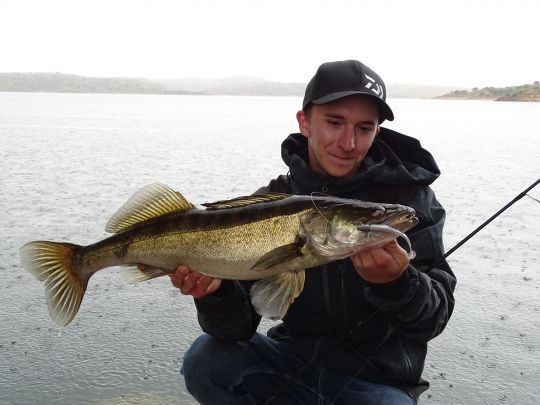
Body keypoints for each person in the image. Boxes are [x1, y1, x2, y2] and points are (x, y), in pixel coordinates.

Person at [173, 60, 456, 404]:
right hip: (289, 365)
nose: (348, 142)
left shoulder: (409, 202)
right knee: (206, 359)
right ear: (305, 122)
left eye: (364, 128)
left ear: (376, 132)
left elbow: (433, 320)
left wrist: (397, 284)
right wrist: (213, 295)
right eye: (334, 122)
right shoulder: (271, 202)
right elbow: (234, 329)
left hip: (377, 385)